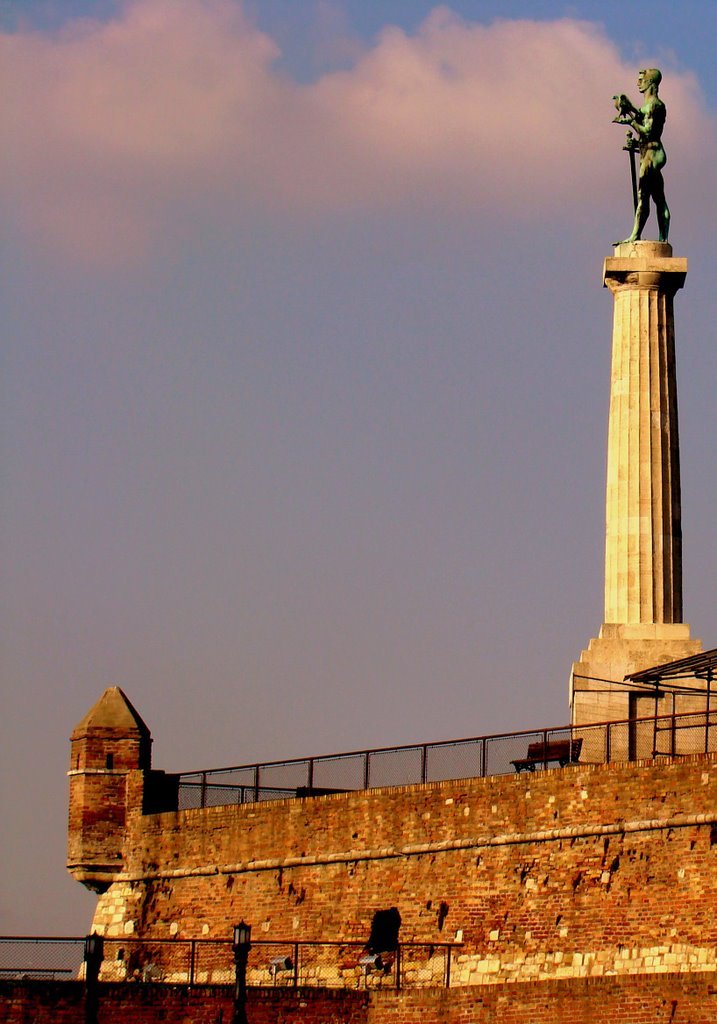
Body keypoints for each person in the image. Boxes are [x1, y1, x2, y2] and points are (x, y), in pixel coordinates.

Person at [613, 68, 670, 243]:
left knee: (643, 196)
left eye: (641, 80)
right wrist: (635, 145)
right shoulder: (646, 107)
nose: (638, 83)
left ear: (651, 83)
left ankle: (637, 235)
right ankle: (661, 237)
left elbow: (649, 132)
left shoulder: (655, 105)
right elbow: (644, 137)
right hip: (647, 152)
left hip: (653, 154)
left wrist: (631, 122)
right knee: (658, 197)